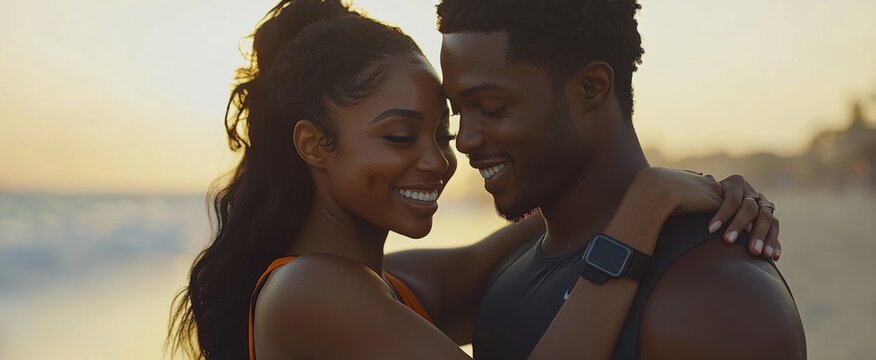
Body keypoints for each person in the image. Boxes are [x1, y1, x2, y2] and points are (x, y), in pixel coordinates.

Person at [167, 1, 790, 359]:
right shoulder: (308, 292)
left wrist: (703, 193)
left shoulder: (394, 286)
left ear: (593, 88)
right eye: (399, 136)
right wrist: (650, 198)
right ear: (315, 145)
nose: (449, 154)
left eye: (448, 127)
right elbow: (607, 223)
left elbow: (556, 225)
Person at [404, 0, 805, 358]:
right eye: (459, 112)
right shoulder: (504, 271)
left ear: (592, 87)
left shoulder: (714, 298)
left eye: (491, 107)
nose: (466, 139)